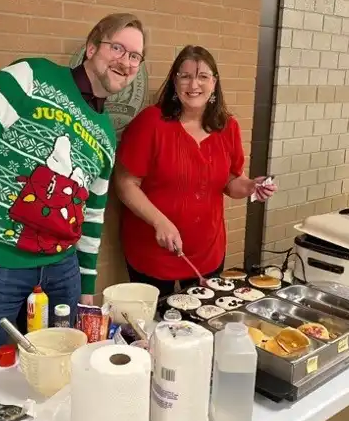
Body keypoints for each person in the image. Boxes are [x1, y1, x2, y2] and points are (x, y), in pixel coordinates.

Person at [0, 13, 146, 369]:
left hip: (60, 271)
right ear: (92, 47)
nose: (125, 62)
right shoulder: (32, 76)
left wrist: (84, 286)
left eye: (135, 57)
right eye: (117, 48)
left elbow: (91, 216)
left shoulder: (106, 133)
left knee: (53, 373)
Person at [114, 45, 276, 296]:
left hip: (207, 251)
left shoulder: (227, 126)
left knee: (203, 326)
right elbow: (125, 183)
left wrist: (251, 186)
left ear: (214, 83)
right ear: (174, 81)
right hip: (153, 251)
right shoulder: (151, 123)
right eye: (186, 76)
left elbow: (231, 181)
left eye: (203, 77)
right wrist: (160, 222)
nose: (194, 85)